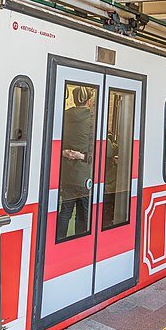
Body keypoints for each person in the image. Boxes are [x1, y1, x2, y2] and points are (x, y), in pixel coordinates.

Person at [57, 86, 96, 240]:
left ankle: (60, 240)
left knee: (65, 212)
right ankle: (81, 243)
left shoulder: (64, 116)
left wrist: (65, 153)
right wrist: (81, 156)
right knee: (84, 213)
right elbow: (102, 152)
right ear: (89, 100)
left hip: (68, 175)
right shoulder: (93, 118)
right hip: (86, 176)